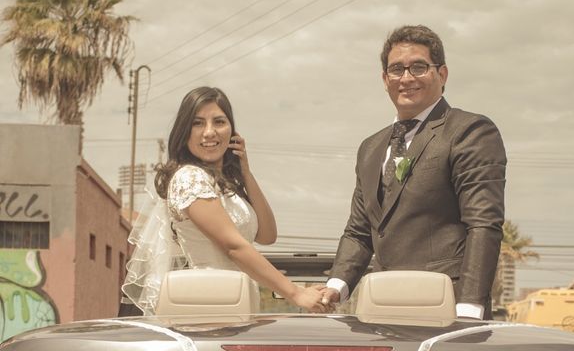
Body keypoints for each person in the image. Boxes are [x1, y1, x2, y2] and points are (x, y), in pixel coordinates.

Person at [322, 25, 506, 319]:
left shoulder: (470, 131)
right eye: (396, 69)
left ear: (442, 74)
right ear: (385, 79)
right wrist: (335, 287)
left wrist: (469, 308)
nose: (406, 78)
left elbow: (483, 225)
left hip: (445, 307)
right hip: (381, 307)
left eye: (418, 67)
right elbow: (359, 231)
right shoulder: (370, 148)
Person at [122, 86, 326, 314]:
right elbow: (233, 247)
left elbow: (267, 235)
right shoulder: (189, 178)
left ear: (232, 131)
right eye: (198, 123)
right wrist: (296, 293)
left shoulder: (225, 186)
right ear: (184, 132)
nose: (209, 132)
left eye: (219, 122)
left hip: (239, 300)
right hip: (209, 300)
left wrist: (245, 172)